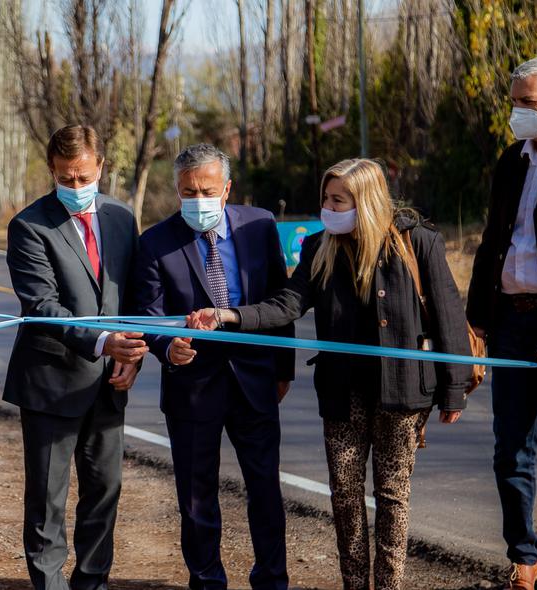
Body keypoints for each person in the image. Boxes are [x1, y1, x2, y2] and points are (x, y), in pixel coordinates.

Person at [189, 158, 471, 590]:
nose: (328, 206)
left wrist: (453, 391)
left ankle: (390, 584)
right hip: (342, 393)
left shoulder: (418, 243)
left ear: (366, 201)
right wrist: (227, 315)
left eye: (338, 199)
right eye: (326, 197)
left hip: (402, 394)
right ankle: (354, 584)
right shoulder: (319, 246)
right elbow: (285, 305)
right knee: (344, 494)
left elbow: (450, 318)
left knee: (393, 496)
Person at [132, 143, 295, 590]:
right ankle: (206, 581)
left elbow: (280, 300)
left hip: (255, 381)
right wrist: (168, 348)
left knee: (264, 490)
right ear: (176, 190)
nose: (197, 200)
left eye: (207, 190)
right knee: (197, 497)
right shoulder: (155, 243)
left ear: (227, 189)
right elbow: (148, 315)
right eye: (188, 191)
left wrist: (284, 368)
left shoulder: (259, 225)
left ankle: (272, 580)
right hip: (193, 386)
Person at [3, 124, 145, 590]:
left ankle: (93, 581)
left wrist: (133, 353)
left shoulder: (123, 218)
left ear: (101, 166)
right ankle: (50, 584)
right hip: (50, 382)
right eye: (67, 179)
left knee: (105, 491)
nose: (77, 188)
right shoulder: (29, 225)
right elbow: (42, 306)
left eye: (85, 177)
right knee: (48, 497)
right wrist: (104, 342)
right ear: (52, 172)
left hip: (109, 382)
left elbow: (133, 298)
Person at [467, 55, 537, 590]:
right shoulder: (512, 160)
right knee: (510, 447)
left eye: (527, 104)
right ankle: (524, 557)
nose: (517, 114)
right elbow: (493, 241)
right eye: (513, 103)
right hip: (511, 321)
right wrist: (476, 322)